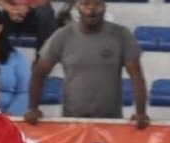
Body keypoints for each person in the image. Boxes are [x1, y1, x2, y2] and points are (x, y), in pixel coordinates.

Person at [26, 0, 149, 128]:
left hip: (111, 123)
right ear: (78, 8)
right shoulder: (62, 36)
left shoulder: (121, 35)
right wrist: (32, 108)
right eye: (86, 4)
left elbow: (136, 76)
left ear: (105, 7)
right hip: (71, 121)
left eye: (97, 4)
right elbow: (39, 73)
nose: (91, 9)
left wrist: (141, 112)